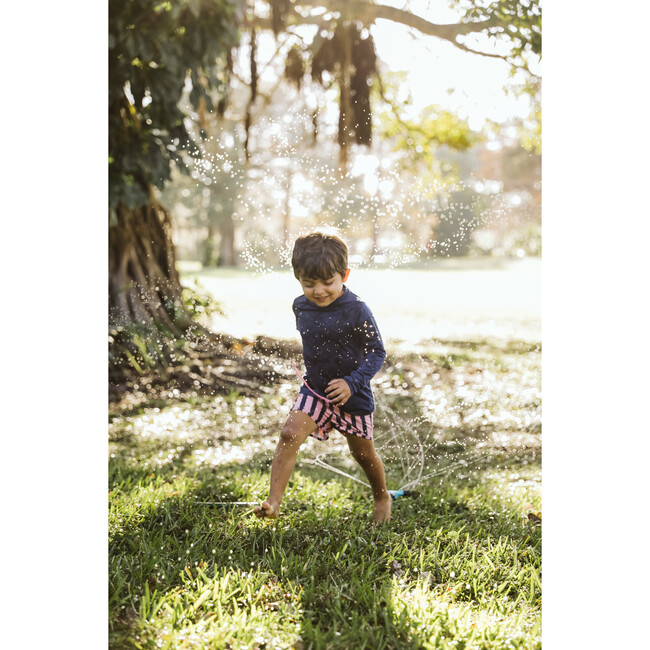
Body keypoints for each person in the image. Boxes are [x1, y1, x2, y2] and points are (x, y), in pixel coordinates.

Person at [254, 228, 392, 524]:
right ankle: (274, 502)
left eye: (328, 282)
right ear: (298, 280)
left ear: (345, 275)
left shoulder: (357, 310)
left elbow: (377, 352)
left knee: (364, 455)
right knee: (289, 434)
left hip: (353, 396)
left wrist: (352, 383)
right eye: (309, 283)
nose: (319, 291)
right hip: (315, 391)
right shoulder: (300, 305)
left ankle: (382, 496)